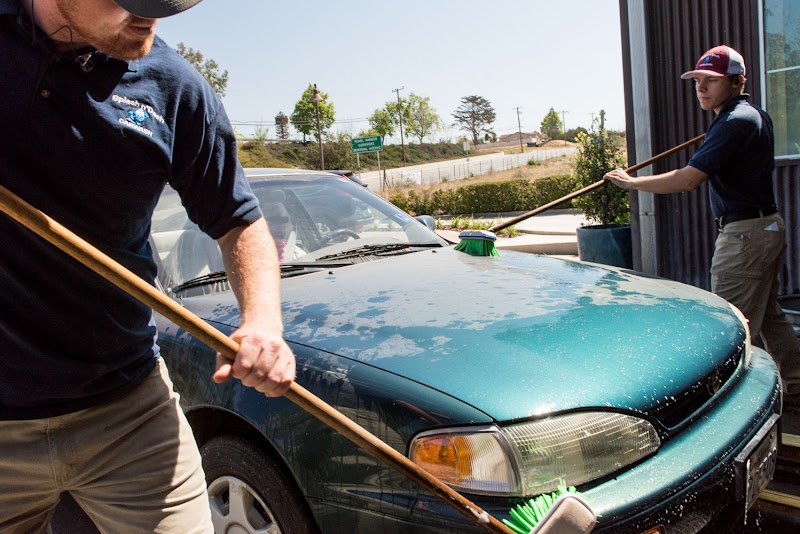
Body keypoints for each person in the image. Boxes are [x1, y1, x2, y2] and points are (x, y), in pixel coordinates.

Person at [0, 0, 296, 532]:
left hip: (128, 413)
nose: (152, 18)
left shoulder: (172, 86)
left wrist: (263, 323)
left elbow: (239, 221)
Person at [604, 45, 800, 410]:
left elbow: (688, 179)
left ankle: (736, 407)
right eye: (698, 81)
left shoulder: (735, 122)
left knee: (728, 325)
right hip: (764, 228)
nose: (701, 88)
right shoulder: (751, 116)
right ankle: (795, 383)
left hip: (745, 237)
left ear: (737, 81)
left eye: (711, 80)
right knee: (771, 314)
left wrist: (632, 184)